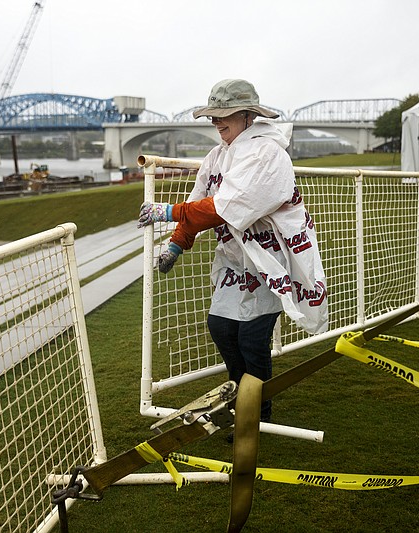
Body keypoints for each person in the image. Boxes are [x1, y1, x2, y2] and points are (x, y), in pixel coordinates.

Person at [138, 79, 328, 425]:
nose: (217, 123)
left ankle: (258, 413)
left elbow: (226, 207)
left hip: (271, 259)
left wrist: (169, 212)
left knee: (252, 338)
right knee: (222, 329)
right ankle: (243, 399)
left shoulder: (267, 153)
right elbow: (201, 203)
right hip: (235, 259)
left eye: (223, 116)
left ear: (246, 115)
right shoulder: (218, 155)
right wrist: (176, 245)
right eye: (213, 117)